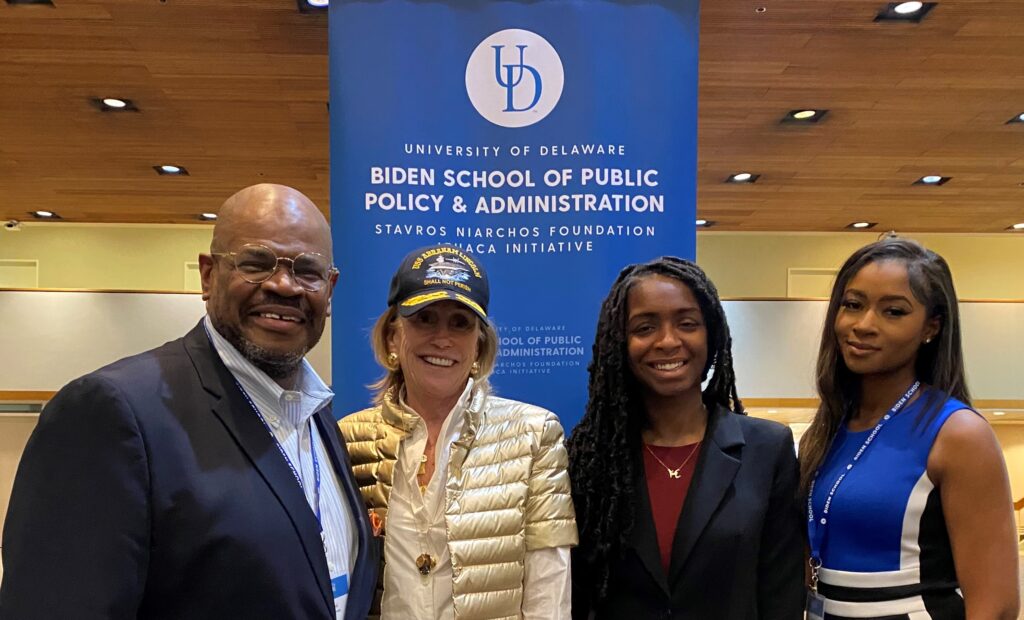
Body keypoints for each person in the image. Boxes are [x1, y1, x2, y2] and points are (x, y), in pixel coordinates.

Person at [0, 184, 377, 619]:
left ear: (329, 290)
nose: (283, 285)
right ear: (208, 275)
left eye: (307, 271)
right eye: (256, 263)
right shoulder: (112, 414)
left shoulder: (322, 419)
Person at [338, 244, 577, 620]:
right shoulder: (348, 439)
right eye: (425, 318)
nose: (443, 338)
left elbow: (550, 587)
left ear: (480, 344)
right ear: (391, 338)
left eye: (461, 322)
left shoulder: (535, 434)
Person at [568, 256, 805, 620]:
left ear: (711, 334)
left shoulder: (767, 449)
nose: (667, 341)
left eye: (687, 323)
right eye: (644, 328)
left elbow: (781, 594)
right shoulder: (590, 459)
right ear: (619, 343)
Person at [800, 238, 1019, 619]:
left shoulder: (957, 433)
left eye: (894, 312)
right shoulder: (826, 430)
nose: (863, 325)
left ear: (931, 327)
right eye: (852, 305)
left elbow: (996, 606)